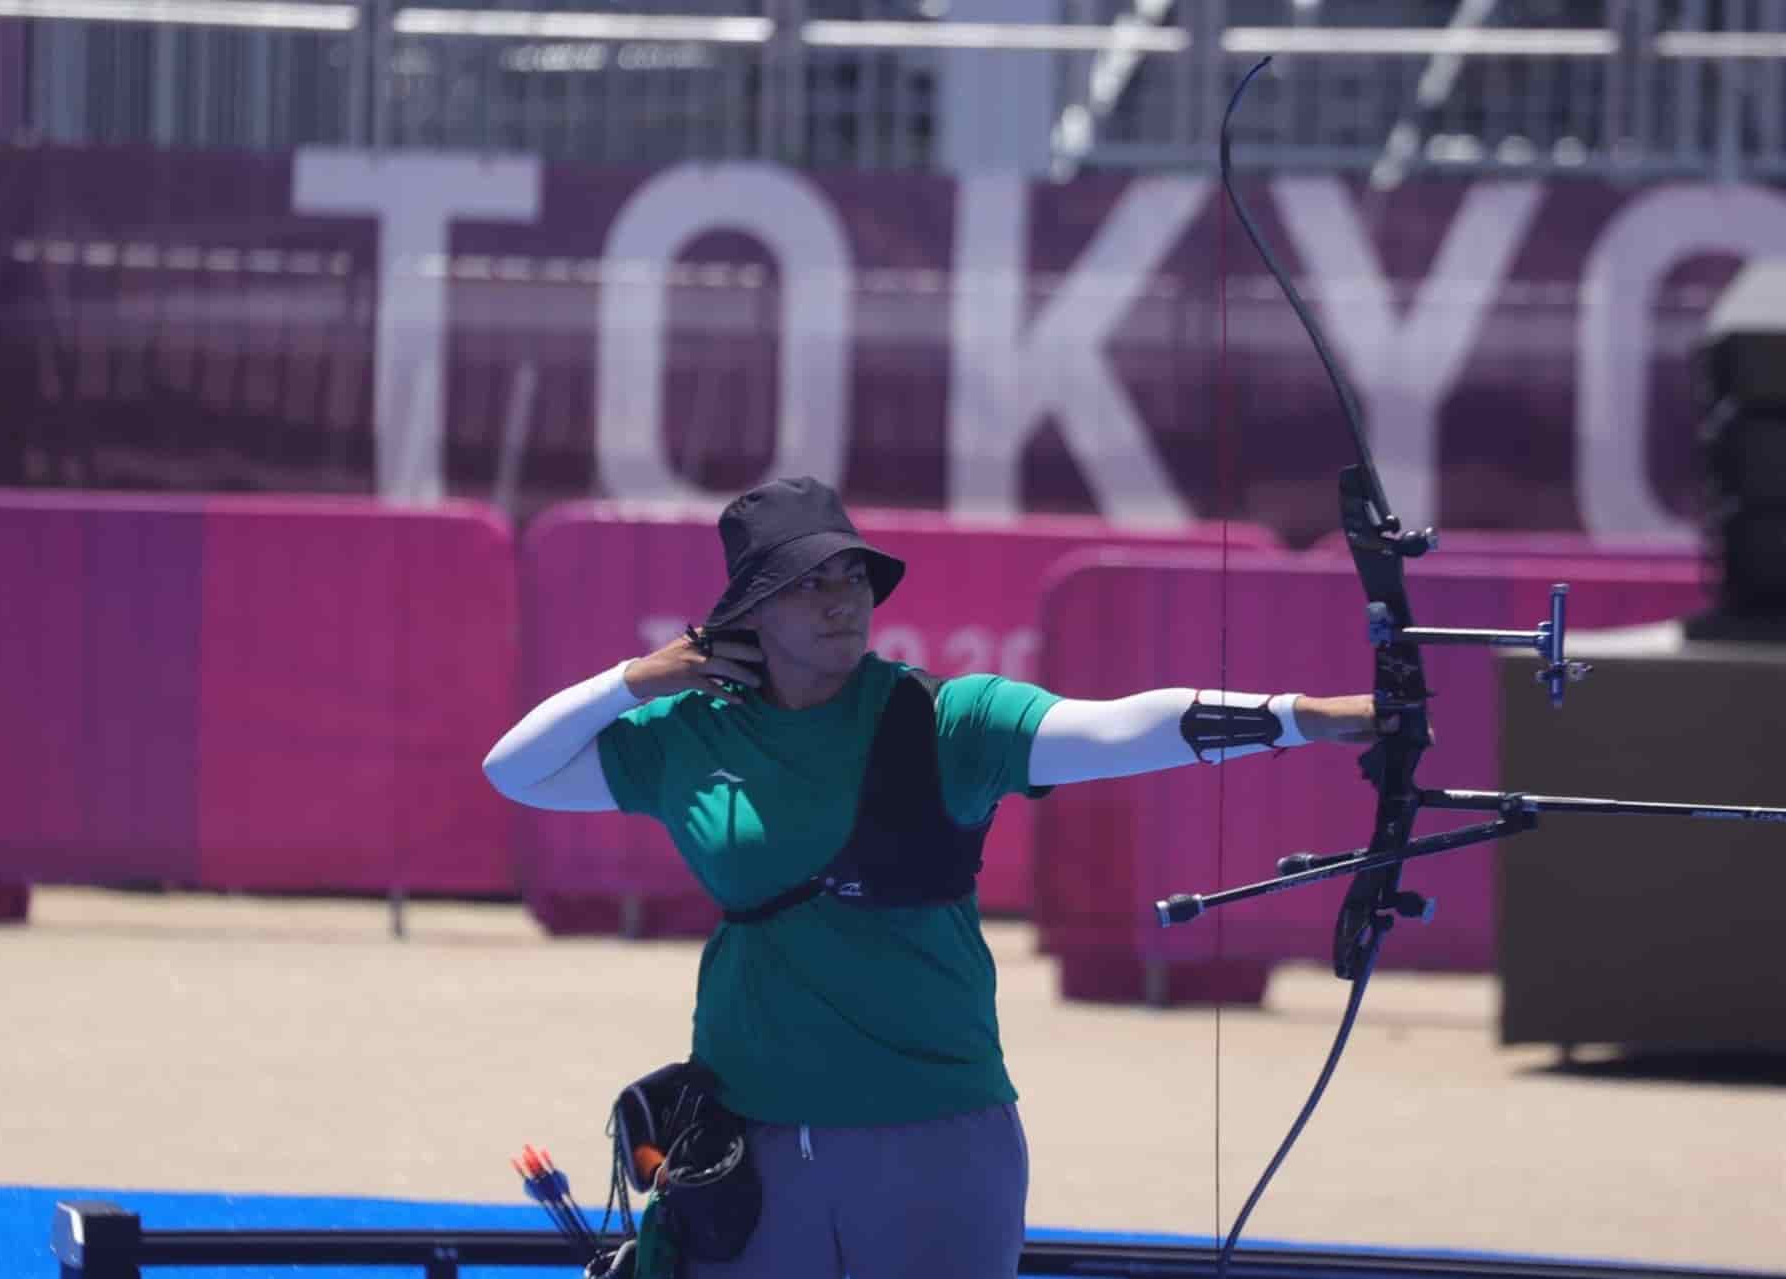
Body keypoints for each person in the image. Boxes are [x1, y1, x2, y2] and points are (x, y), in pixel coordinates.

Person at [482, 476, 1386, 1279]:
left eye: (851, 576)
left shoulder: (946, 718)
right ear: (746, 614)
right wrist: (636, 679)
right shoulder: (692, 733)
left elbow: (1120, 728)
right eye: (807, 582)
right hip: (749, 1142)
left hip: (934, 1136)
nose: (842, 600)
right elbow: (515, 771)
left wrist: (1315, 718)